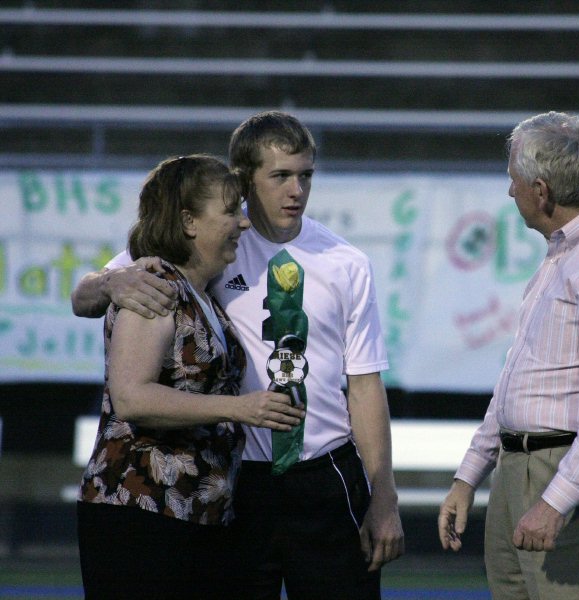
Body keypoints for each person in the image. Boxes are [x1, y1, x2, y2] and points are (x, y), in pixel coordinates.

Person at [71, 112, 404, 599]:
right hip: (237, 481)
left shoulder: (346, 262)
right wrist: (110, 281)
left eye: (306, 175)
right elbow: (84, 297)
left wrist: (384, 497)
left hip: (325, 471)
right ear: (245, 180)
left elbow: (365, 385)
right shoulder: (209, 241)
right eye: (281, 176)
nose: (297, 190)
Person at [437, 111, 579, 600]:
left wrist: (555, 503)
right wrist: (469, 475)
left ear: (541, 191)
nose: (509, 192)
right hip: (521, 470)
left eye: (513, 180)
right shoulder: (567, 252)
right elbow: (518, 381)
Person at [77, 154, 305, 599]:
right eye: (229, 211)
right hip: (141, 509)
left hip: (192, 515)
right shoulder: (155, 283)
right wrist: (240, 408)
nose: (242, 224)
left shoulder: (200, 292)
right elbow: (132, 398)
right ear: (189, 222)